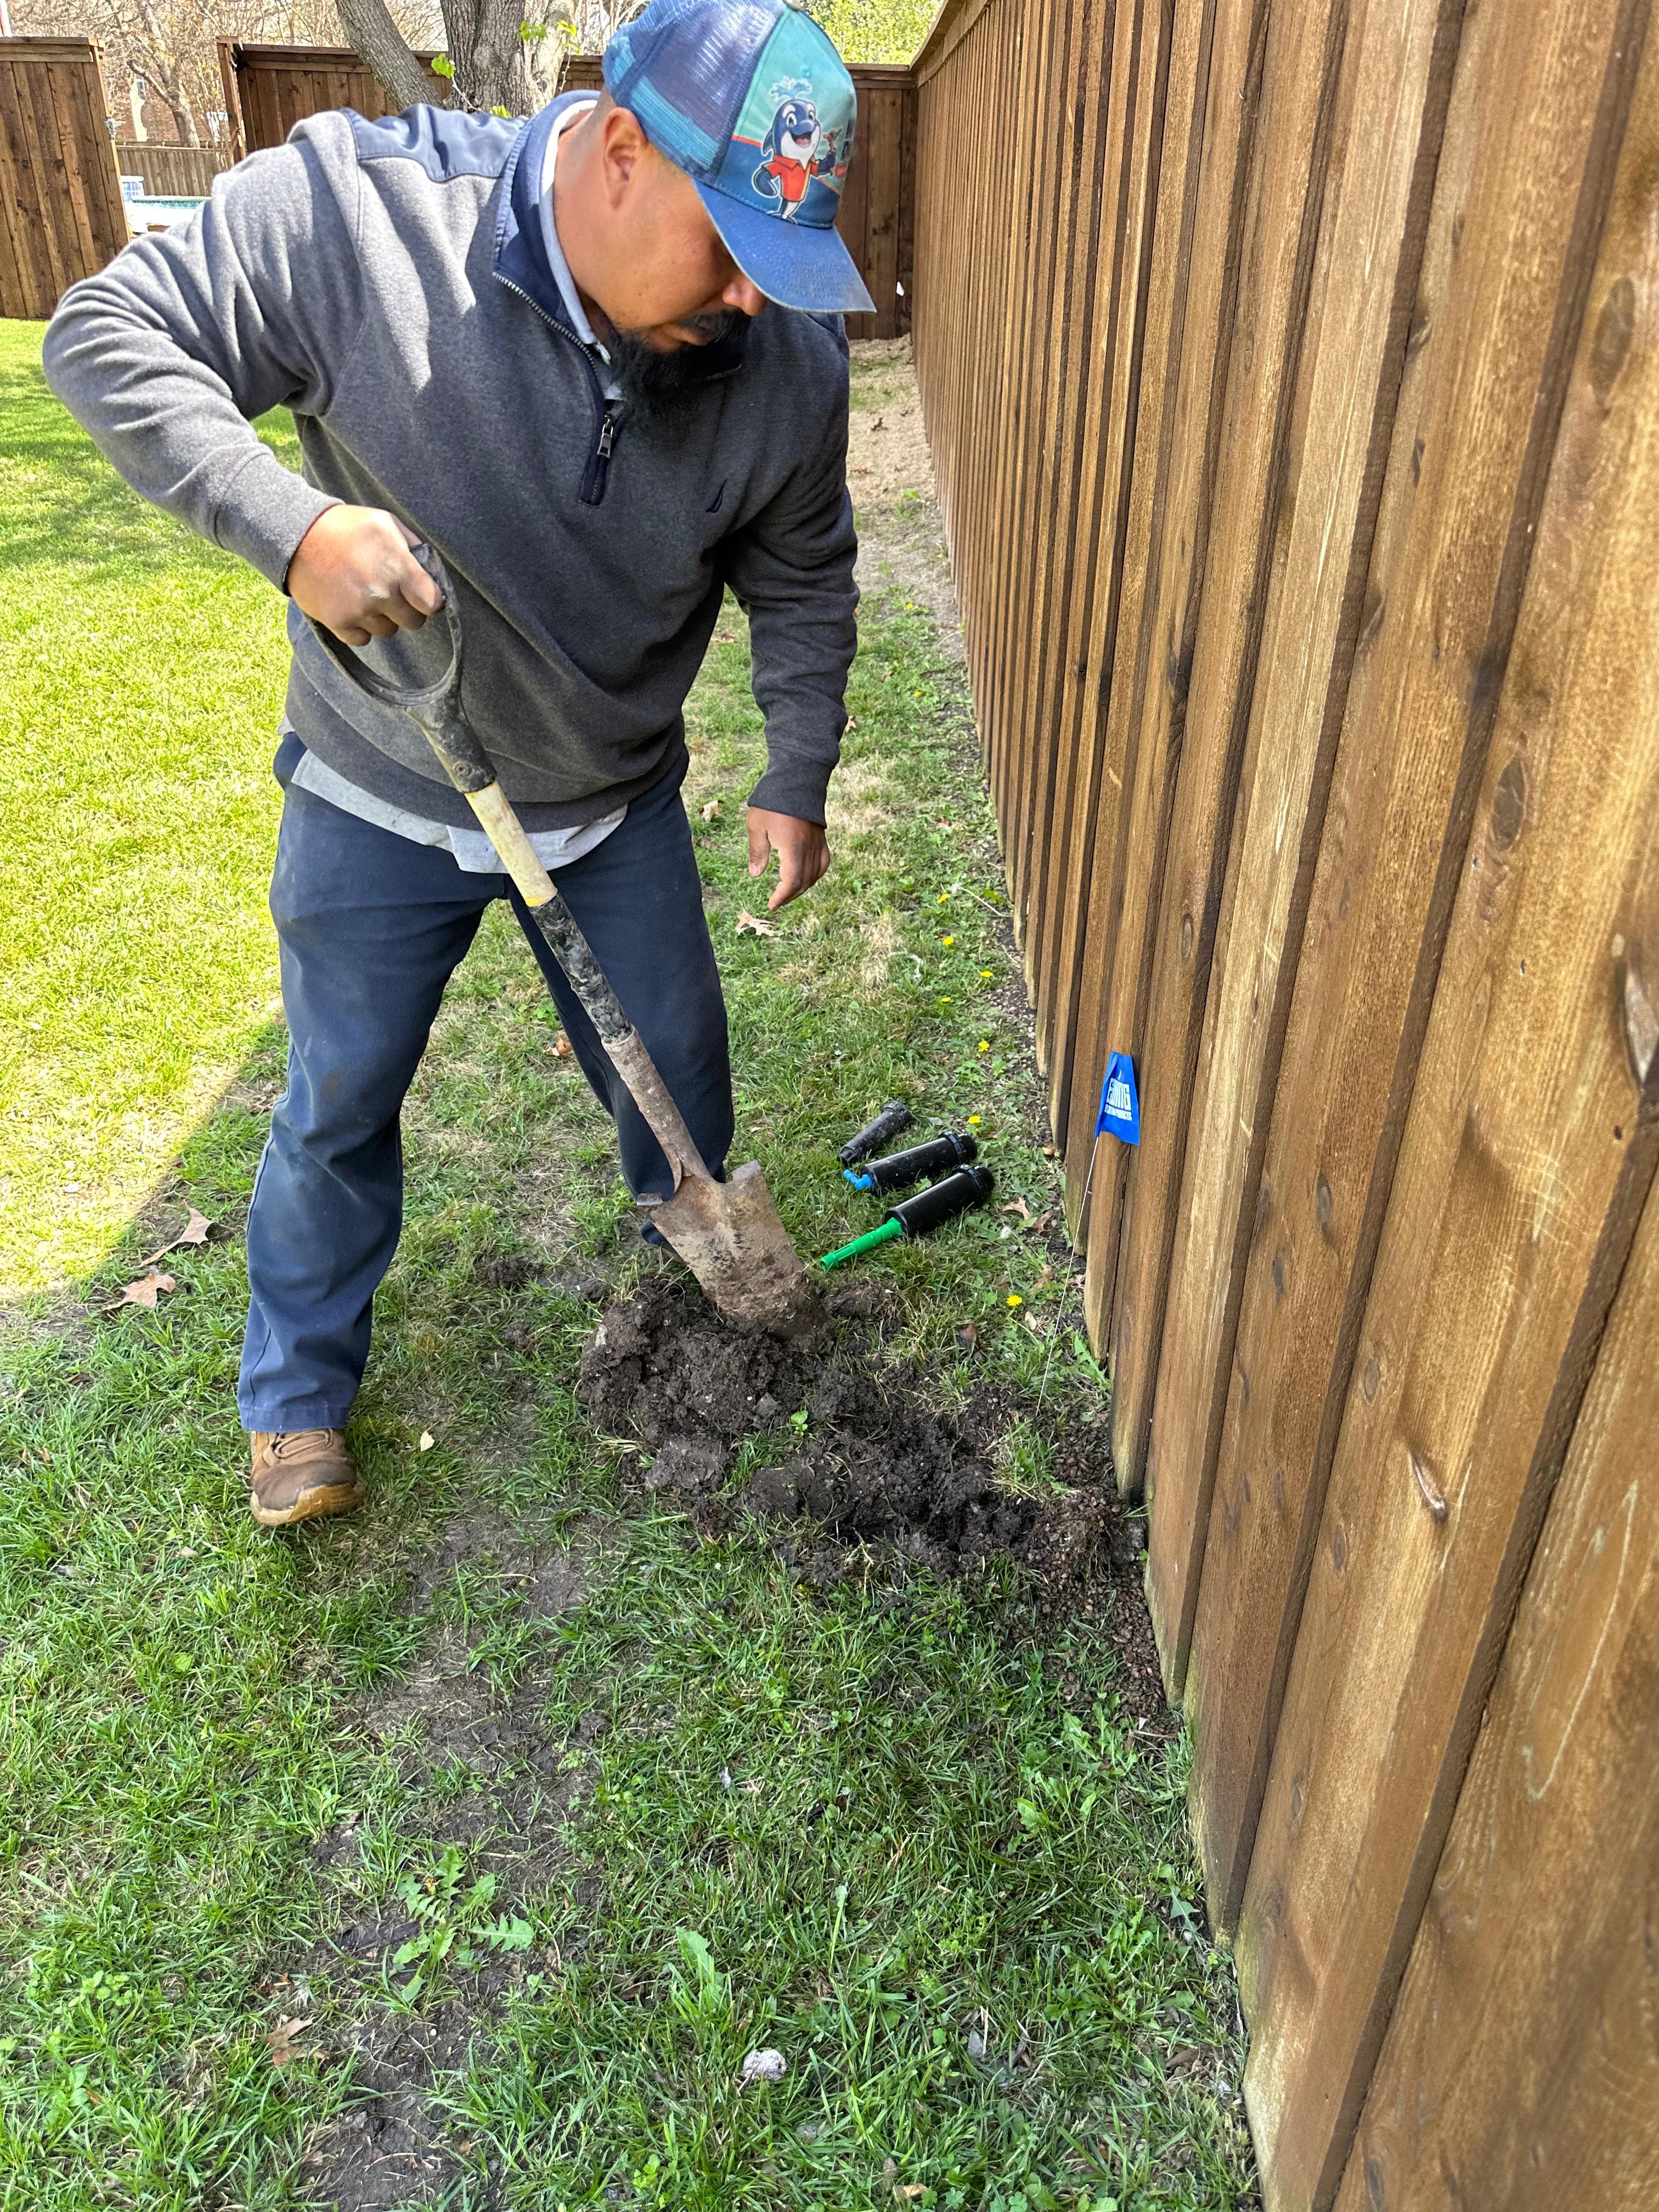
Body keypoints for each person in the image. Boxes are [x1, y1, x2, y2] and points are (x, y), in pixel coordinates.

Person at [43, 0, 872, 1529]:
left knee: (680, 1073)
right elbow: (104, 336)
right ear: (622, 150)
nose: (761, 299)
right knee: (341, 1094)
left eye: (787, 258)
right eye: (735, 245)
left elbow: (807, 574)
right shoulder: (357, 220)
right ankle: (295, 1392)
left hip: (610, 800)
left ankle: (682, 1286)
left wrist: (795, 765)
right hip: (380, 777)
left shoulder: (783, 366)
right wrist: (291, 526)